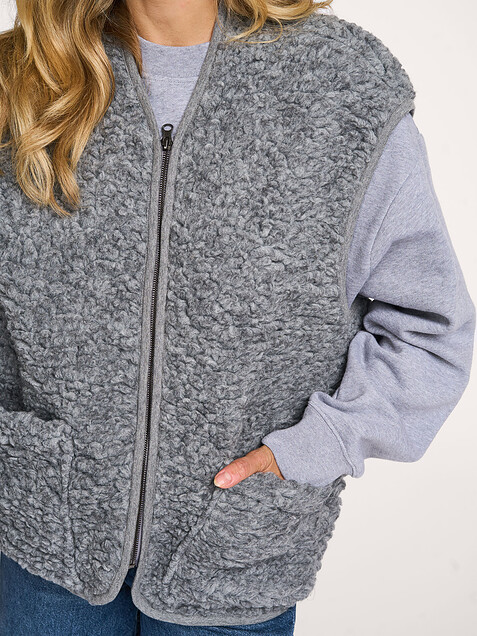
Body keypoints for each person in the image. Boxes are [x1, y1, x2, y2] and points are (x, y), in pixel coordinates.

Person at [0, 0, 474, 634]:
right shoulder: (22, 78)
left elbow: (430, 330)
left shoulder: (343, 86)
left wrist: (315, 448)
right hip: (42, 541)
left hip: (233, 547)